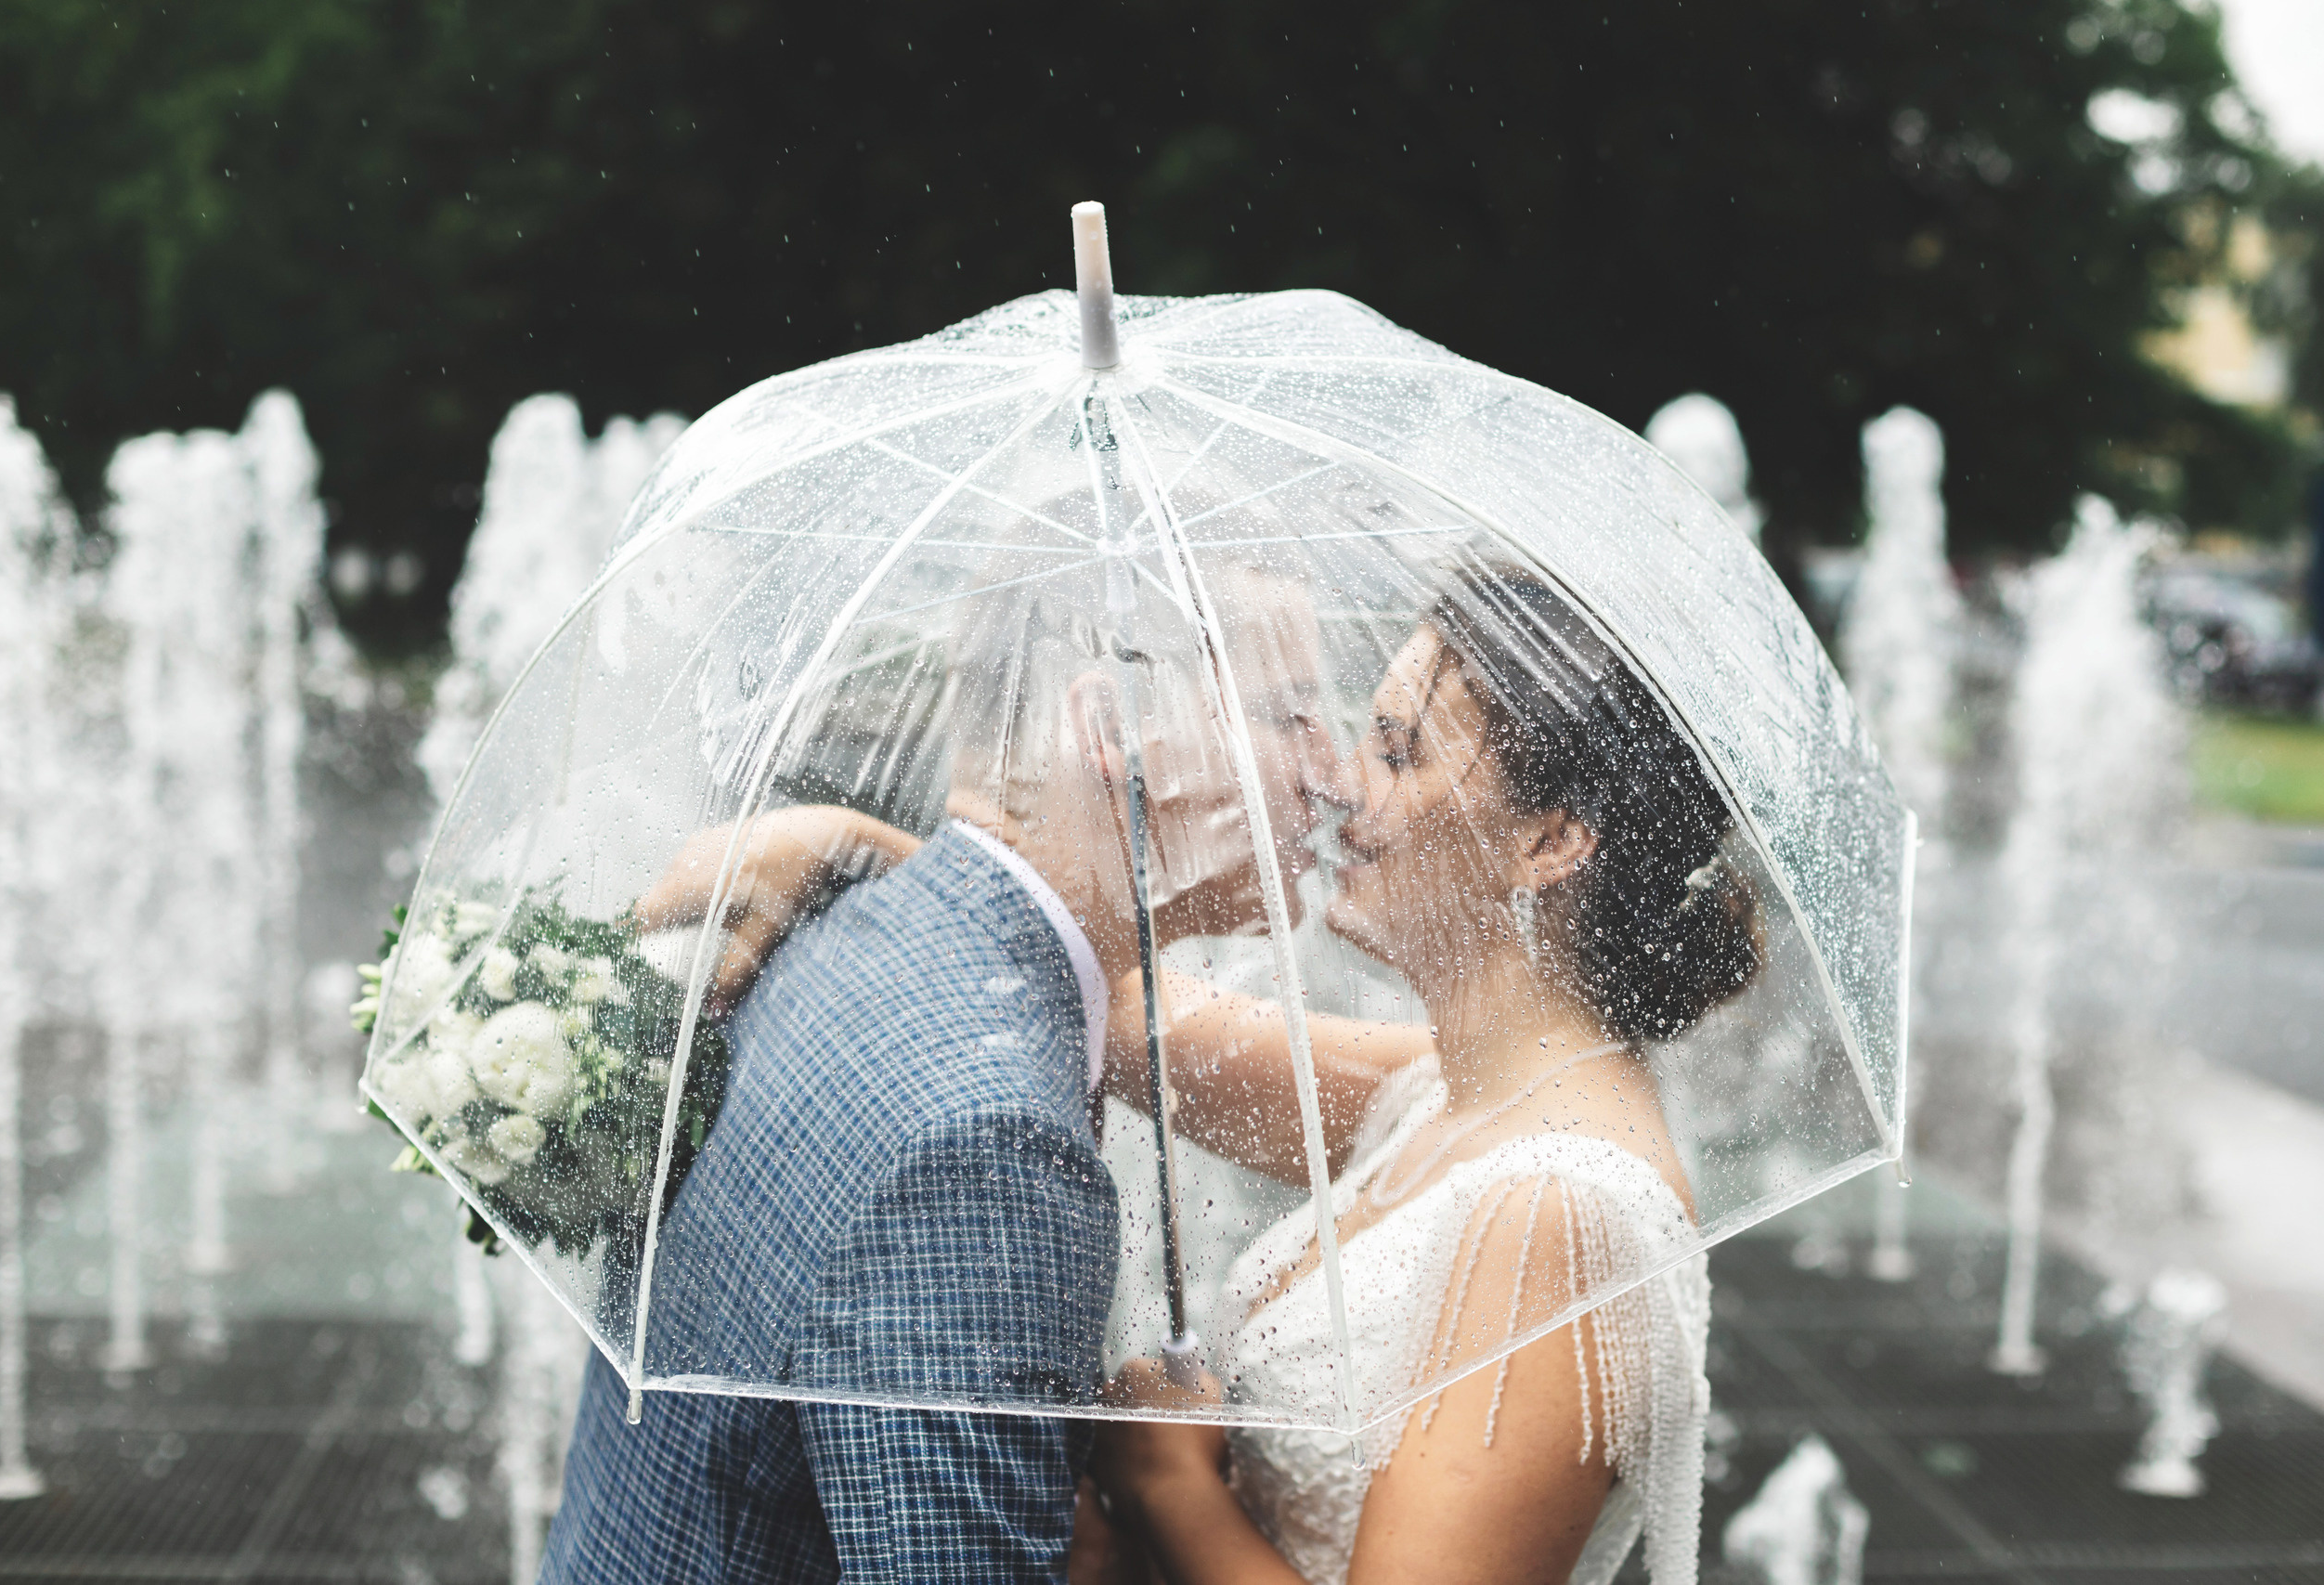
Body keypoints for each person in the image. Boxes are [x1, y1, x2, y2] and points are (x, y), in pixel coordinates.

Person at [701, 567, 1759, 1585]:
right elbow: (1110, 993)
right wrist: (834, 843)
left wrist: (1168, 1482)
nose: (1343, 780)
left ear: (1550, 840)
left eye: (1396, 752)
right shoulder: (1448, 1093)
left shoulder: (1563, 1218)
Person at [538, 557, 1348, 1585]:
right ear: (1111, 731)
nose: (1337, 773)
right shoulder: (986, 1153)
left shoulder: (849, 922)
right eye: (1292, 718)